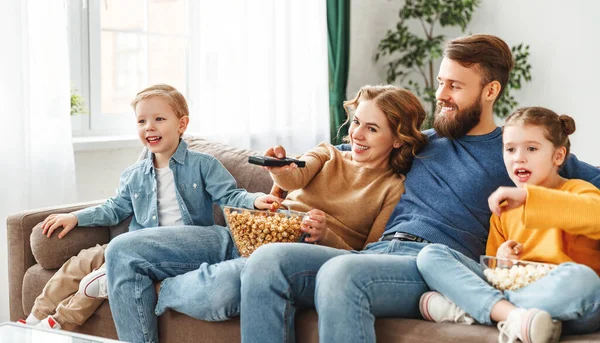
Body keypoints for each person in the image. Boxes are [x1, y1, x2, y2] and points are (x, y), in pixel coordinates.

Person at [239, 34, 600, 343]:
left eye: (455, 86)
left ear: (490, 91)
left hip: (435, 264)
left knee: (342, 274)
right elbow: (352, 149)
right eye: (441, 82)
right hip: (378, 252)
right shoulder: (420, 142)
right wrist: (291, 166)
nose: (440, 94)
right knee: (267, 262)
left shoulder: (517, 150)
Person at [105, 85, 428, 343]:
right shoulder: (328, 154)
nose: (357, 134)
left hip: (285, 257)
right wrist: (281, 167)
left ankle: (162, 288)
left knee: (223, 293)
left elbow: (368, 255)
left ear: (398, 138)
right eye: (356, 122)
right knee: (123, 250)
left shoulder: (393, 188)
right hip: (243, 232)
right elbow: (293, 177)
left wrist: (326, 234)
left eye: (372, 128)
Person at [19, 84, 279, 331]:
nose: (149, 127)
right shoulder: (133, 174)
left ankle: (59, 323)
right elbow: (115, 208)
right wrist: (76, 217)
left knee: (103, 274)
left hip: (177, 249)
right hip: (133, 244)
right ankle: (34, 318)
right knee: (80, 262)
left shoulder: (203, 165)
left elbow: (230, 195)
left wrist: (255, 200)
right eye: (141, 121)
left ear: (182, 124)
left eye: (159, 119)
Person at [417, 107, 600, 343]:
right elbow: (492, 272)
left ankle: (471, 310)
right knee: (431, 255)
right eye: (510, 149)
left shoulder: (579, 191)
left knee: (582, 279)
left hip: (575, 299)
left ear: (558, 156)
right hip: (522, 294)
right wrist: (502, 260)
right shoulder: (503, 212)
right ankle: (515, 317)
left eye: (531, 149)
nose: (519, 157)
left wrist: (527, 197)